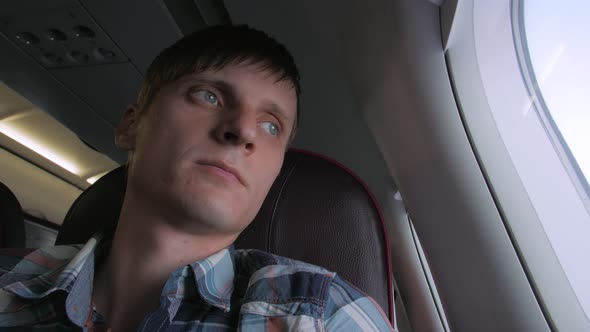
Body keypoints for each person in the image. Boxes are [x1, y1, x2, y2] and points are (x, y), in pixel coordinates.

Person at [0, 25, 394, 331]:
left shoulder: (324, 315)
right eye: (209, 96)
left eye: (271, 126)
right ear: (131, 127)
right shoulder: (8, 284)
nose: (243, 131)